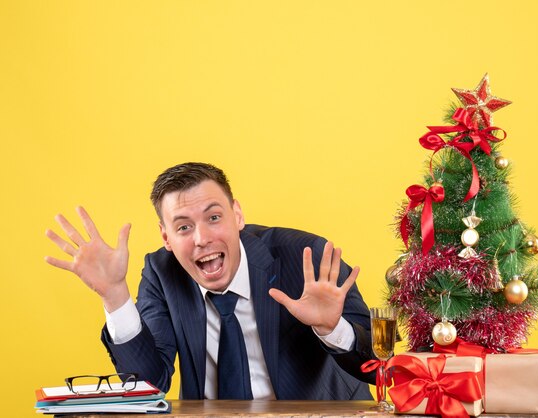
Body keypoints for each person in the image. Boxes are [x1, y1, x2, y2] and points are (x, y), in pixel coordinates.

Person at [45, 162, 375, 400]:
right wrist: (115, 295)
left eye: (214, 218)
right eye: (184, 227)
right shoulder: (162, 273)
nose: (202, 238)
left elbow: (377, 369)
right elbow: (149, 386)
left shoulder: (306, 258)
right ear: (166, 237)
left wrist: (331, 329)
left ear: (238, 215)